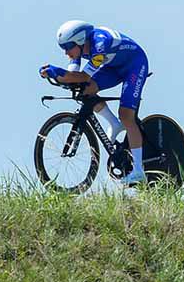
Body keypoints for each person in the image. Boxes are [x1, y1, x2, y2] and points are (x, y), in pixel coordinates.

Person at [39, 20, 149, 185]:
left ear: (80, 41)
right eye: (63, 48)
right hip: (113, 67)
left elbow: (83, 76)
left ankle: (139, 171)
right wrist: (54, 74)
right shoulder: (80, 48)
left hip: (134, 65)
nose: (66, 53)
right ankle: (115, 124)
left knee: (126, 115)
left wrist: (58, 72)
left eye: (68, 47)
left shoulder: (100, 44)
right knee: (85, 90)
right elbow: (73, 76)